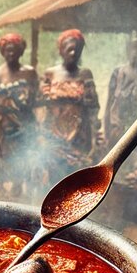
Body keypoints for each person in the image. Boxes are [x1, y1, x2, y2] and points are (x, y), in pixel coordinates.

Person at [38, 29, 102, 189]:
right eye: (69, 49)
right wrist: (42, 130)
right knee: (55, 171)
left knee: (77, 174)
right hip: (55, 131)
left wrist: (95, 131)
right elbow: (40, 103)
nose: (73, 53)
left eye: (77, 49)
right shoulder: (50, 73)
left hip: (80, 132)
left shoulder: (85, 73)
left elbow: (93, 105)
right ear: (61, 50)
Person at [0, 32, 38, 199]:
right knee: (1, 154)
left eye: (14, 50)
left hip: (23, 122)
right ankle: (1, 189)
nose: (11, 54)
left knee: (22, 154)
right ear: (2, 51)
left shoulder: (29, 73)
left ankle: (18, 187)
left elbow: (37, 99)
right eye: (7, 50)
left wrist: (38, 122)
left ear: (21, 51)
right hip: (3, 122)